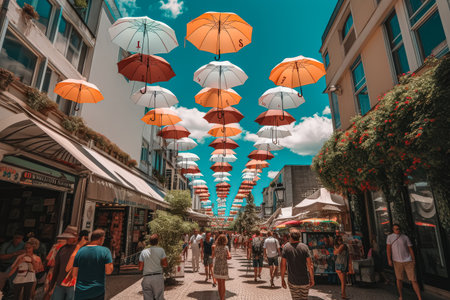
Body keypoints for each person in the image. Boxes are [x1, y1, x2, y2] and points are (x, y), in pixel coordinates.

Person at [73, 229, 113, 300]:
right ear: (101, 239)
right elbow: (108, 271)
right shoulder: (105, 251)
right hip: (97, 291)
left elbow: (74, 274)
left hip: (80, 292)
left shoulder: (80, 251)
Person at [387, 224, 422, 300]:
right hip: (397, 261)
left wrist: (413, 259)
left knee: (413, 279)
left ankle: (419, 298)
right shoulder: (390, 237)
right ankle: (401, 296)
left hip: (408, 260)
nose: (397, 230)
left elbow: (410, 249)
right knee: (399, 279)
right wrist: (389, 259)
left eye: (399, 229)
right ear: (393, 229)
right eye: (396, 229)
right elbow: (388, 249)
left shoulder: (405, 237)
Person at [46, 226, 81, 300]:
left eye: (69, 237)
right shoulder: (62, 249)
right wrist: (51, 286)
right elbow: (56, 268)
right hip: (60, 283)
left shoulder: (80, 249)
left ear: (76, 237)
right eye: (66, 237)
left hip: (73, 284)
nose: (67, 239)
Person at [281, 229, 314, 300]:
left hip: (292, 280)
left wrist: (282, 278)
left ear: (290, 236)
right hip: (304, 280)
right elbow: (310, 265)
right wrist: (312, 278)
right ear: (299, 237)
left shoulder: (286, 247)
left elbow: (283, 265)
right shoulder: (305, 247)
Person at [139, 234, 167, 300]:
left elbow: (140, 267)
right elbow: (165, 264)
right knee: (159, 297)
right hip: (158, 277)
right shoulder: (161, 250)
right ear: (158, 242)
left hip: (147, 278)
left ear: (150, 242)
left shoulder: (143, 252)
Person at [0, 231, 25, 298]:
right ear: (13, 237)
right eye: (16, 237)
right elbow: (2, 257)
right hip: (5, 265)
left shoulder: (24, 246)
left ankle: (11, 292)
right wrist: (15, 253)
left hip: (17, 266)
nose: (17, 240)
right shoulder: (6, 245)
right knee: (4, 277)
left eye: (20, 238)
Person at [212, 234, 231, 300]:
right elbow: (229, 257)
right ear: (225, 240)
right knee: (223, 283)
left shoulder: (215, 247)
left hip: (217, 266)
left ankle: (221, 298)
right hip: (224, 266)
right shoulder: (226, 247)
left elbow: (213, 256)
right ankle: (223, 298)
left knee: (219, 284)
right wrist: (225, 257)